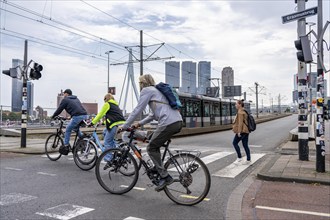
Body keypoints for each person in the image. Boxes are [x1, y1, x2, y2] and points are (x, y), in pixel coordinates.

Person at [119, 74, 183, 192]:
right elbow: (152, 115)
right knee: (151, 138)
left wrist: (125, 125)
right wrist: (138, 124)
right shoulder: (157, 92)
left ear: (142, 83)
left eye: (139, 83)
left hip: (168, 123)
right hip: (177, 121)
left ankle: (165, 176)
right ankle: (157, 167)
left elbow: (138, 109)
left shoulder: (146, 90)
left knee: (151, 147)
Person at [52, 89, 88, 155]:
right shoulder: (76, 99)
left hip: (77, 116)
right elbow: (76, 108)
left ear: (67, 94)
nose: (63, 95)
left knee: (68, 129)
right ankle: (83, 138)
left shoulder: (65, 100)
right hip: (85, 115)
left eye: (64, 94)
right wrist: (71, 116)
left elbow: (59, 109)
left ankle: (66, 146)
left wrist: (53, 116)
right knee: (75, 128)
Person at [90, 93, 125, 160]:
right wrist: (104, 123)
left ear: (106, 99)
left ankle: (109, 158)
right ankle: (115, 150)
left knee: (107, 142)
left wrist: (93, 122)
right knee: (105, 132)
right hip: (120, 124)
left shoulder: (107, 104)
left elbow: (100, 114)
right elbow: (113, 116)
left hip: (114, 124)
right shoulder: (115, 105)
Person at [232, 99, 251, 165]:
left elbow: (240, 123)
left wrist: (239, 132)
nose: (235, 105)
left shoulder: (240, 112)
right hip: (246, 130)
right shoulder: (244, 111)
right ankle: (248, 159)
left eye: (236, 104)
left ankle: (239, 158)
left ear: (239, 105)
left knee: (234, 143)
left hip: (242, 131)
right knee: (245, 145)